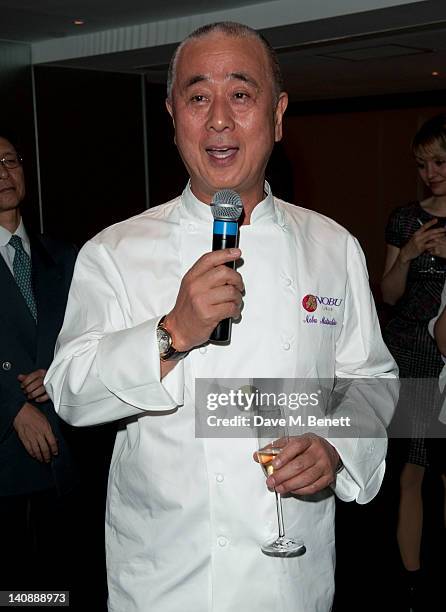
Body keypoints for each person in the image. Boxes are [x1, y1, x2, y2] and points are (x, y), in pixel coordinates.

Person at [46, 22, 397, 612]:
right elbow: (69, 395)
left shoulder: (332, 245)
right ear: (172, 114)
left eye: (241, 94)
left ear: (278, 115)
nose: (218, 119)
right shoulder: (114, 250)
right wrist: (172, 333)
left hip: (294, 578)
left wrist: (337, 445)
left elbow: (373, 381)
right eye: (197, 96)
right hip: (167, 579)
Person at [0, 131, 78, 591]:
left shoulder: (64, 257)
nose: (3, 174)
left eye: (9, 160)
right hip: (4, 458)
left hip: (62, 460)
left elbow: (86, 338)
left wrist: (62, 373)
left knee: (59, 587)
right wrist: (12, 407)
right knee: (13, 591)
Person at [381, 113, 446, 607]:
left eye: (440, 161)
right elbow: (389, 294)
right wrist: (407, 255)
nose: (432, 173)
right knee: (411, 471)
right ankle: (411, 581)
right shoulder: (406, 218)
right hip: (410, 359)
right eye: (423, 164)